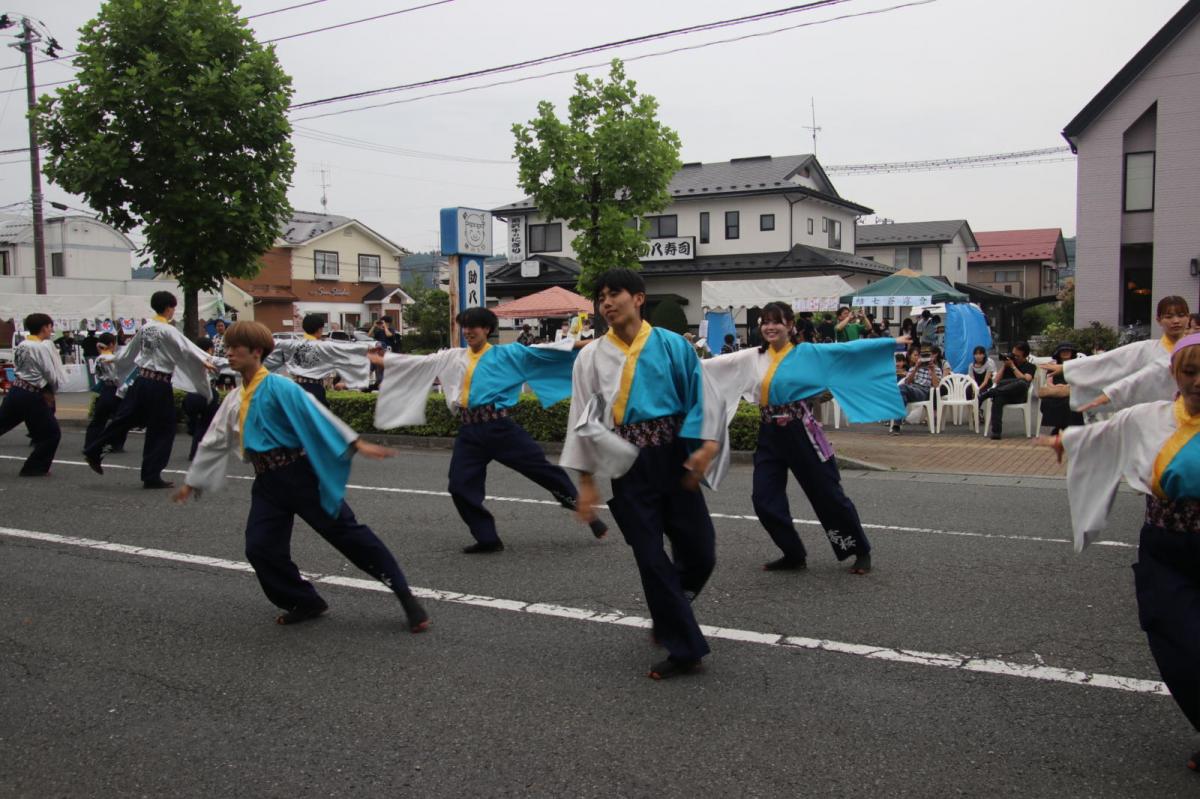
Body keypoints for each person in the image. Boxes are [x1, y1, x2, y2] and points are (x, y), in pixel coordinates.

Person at [172, 322, 429, 631]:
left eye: (234, 347)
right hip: (267, 482)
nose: (228, 353)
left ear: (256, 352)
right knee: (260, 548)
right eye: (226, 347)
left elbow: (315, 414)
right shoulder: (235, 397)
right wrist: (193, 480)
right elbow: (215, 439)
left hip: (300, 476)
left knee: (350, 537)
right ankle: (304, 600)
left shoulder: (280, 386)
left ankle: (405, 595)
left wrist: (354, 442)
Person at [1039, 332, 1200, 774]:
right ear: (1175, 374)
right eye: (1190, 372)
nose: (1198, 381)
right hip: (1165, 547)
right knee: (1173, 638)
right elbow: (1107, 435)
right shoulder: (1149, 417)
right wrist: (1068, 442)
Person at [561, 268, 723, 680]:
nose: (606, 303)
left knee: (701, 552)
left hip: (674, 458)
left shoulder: (673, 345)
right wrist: (585, 481)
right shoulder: (590, 357)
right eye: (601, 297)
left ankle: (670, 610)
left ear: (638, 298)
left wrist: (706, 446)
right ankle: (685, 649)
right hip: (628, 465)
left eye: (614, 294)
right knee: (651, 559)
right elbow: (582, 418)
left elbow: (701, 396)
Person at [373, 306, 607, 553]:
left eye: (473, 326)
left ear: (486, 329)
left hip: (500, 428)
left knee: (544, 472)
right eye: (465, 327)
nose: (468, 331)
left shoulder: (507, 354)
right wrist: (382, 360)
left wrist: (597, 344)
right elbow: (421, 363)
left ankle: (586, 513)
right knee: (459, 486)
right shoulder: (452, 356)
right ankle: (487, 538)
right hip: (469, 432)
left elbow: (551, 350)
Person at [703, 301, 905, 574]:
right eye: (765, 322)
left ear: (790, 325)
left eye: (776, 321)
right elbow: (712, 366)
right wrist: (674, 361)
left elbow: (847, 351)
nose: (770, 327)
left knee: (827, 494)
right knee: (763, 499)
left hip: (801, 431)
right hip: (769, 434)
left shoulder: (808, 353)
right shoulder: (751, 357)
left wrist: (889, 343)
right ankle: (793, 553)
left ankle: (859, 549)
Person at [83, 291, 216, 488]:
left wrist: (113, 358)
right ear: (169, 308)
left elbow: (128, 352)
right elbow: (187, 347)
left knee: (124, 419)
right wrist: (205, 360)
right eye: (173, 308)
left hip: (141, 381)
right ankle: (151, 475)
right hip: (159, 384)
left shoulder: (145, 328)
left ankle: (94, 449)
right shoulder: (168, 330)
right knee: (163, 429)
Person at [1043, 296, 1190, 413]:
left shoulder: (1195, 350)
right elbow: (1109, 362)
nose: (1176, 321)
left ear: (1188, 317)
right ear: (1159, 320)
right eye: (1169, 316)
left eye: (1181, 315)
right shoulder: (1146, 349)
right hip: (1155, 416)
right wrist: (1066, 368)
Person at [0, 313, 66, 476]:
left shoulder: (22, 344)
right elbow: (49, 373)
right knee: (51, 434)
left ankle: (35, 467)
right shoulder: (40, 347)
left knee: (3, 424)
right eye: (50, 327)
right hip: (32, 394)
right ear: (44, 327)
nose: (51, 330)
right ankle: (34, 468)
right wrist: (52, 390)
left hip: (17, 390)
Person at [264, 314, 372, 407]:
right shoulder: (325, 346)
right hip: (315, 389)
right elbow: (348, 349)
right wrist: (373, 347)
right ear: (320, 329)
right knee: (317, 420)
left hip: (295, 388)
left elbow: (269, 348)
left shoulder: (290, 344)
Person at [84, 333, 129, 455]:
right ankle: (116, 444)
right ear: (111, 344)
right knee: (120, 419)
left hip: (105, 389)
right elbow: (118, 377)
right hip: (116, 390)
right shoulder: (113, 358)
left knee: (98, 420)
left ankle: (90, 443)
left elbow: (98, 375)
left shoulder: (98, 358)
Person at [979, 341, 1035, 440]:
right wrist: (1004, 366)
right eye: (1013, 354)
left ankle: (990, 393)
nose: (1014, 357)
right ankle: (996, 432)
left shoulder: (1030, 366)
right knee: (998, 397)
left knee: (1022, 383)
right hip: (1004, 394)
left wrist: (1013, 366)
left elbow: (1027, 379)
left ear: (1025, 356)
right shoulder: (1008, 365)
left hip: (1018, 396)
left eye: (1017, 356)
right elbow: (996, 381)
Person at [182, 337, 226, 461]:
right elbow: (226, 364)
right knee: (205, 425)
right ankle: (198, 453)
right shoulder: (210, 359)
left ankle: (192, 432)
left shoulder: (190, 359)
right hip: (205, 395)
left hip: (190, 396)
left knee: (197, 425)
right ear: (209, 349)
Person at [890, 346, 942, 435]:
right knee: (901, 392)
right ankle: (897, 423)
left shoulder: (936, 369)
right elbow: (907, 382)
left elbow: (936, 386)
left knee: (901, 389)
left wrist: (932, 371)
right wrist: (916, 368)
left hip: (925, 391)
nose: (926, 359)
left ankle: (897, 423)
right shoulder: (913, 368)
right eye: (923, 357)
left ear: (933, 357)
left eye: (928, 357)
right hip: (912, 389)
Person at [1038, 342, 1084, 435]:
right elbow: (1048, 381)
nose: (1065, 353)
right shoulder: (1052, 365)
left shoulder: (1076, 365)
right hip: (1056, 391)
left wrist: (1066, 386)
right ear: (1058, 353)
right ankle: (1058, 426)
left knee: (1068, 402)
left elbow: (1078, 380)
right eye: (1063, 351)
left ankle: (1068, 428)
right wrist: (1055, 387)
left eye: (1068, 351)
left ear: (1072, 352)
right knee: (1047, 401)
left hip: (1072, 391)